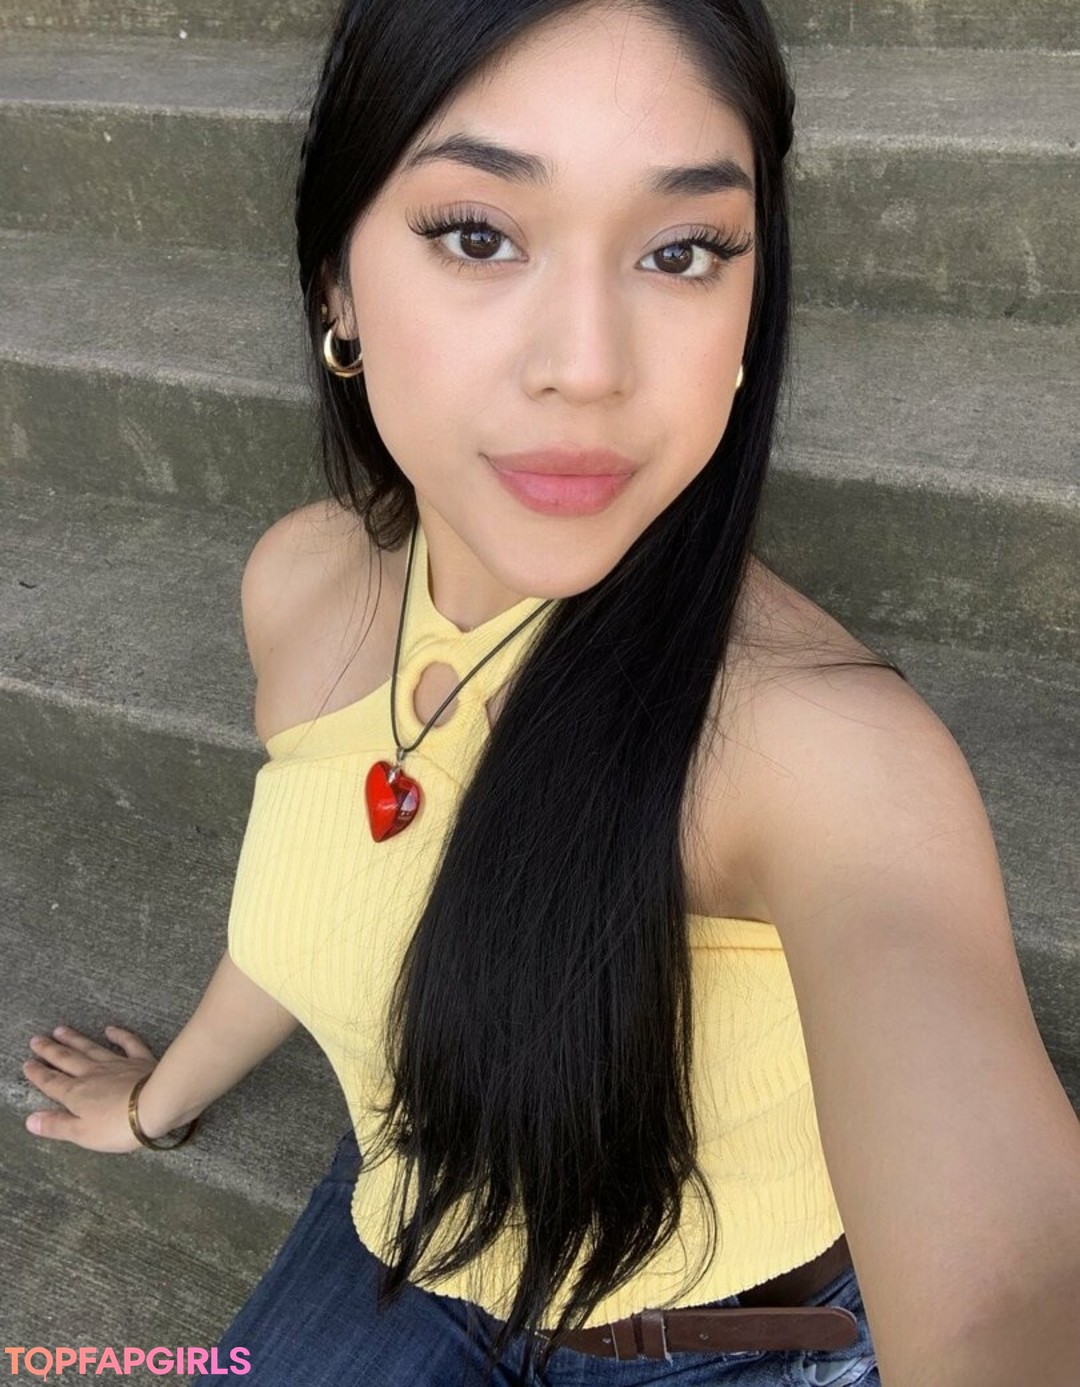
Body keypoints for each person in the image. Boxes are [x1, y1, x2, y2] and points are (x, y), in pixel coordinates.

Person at [20, 3, 1080, 1386]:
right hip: (412, 1239)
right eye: (478, 235)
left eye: (681, 251)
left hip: (735, 1347)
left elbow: (1015, 1291)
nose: (587, 367)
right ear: (336, 287)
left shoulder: (818, 749)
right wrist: (158, 1107)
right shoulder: (307, 585)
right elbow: (318, 908)